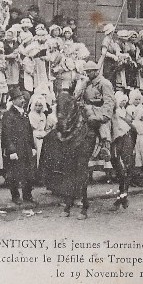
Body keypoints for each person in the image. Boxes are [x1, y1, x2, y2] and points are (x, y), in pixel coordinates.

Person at [39, 88, 97, 219]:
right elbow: (61, 120)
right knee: (69, 173)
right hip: (69, 137)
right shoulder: (63, 114)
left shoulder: (95, 87)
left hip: (95, 107)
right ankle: (68, 204)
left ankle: (105, 143)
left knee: (97, 122)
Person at [1, 90, 36, 206]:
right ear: (13, 100)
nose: (22, 100)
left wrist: (32, 146)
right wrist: (11, 150)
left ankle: (27, 195)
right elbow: (7, 134)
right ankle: (15, 196)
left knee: (29, 172)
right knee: (14, 173)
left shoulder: (25, 114)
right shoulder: (8, 115)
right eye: (19, 98)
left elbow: (29, 132)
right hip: (16, 149)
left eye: (23, 98)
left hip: (26, 147)